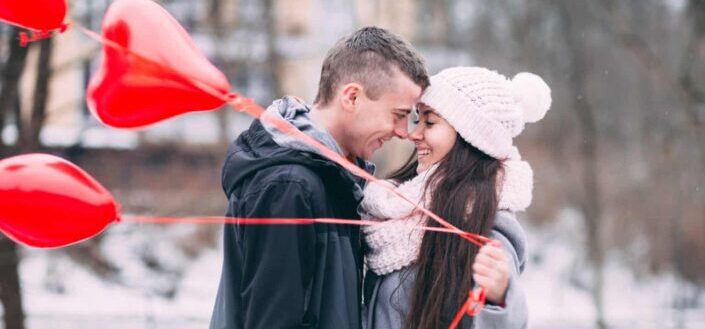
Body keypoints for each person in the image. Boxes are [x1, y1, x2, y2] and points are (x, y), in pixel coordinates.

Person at [210, 27, 429, 329]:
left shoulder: (332, 179)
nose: (404, 131)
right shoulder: (289, 186)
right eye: (398, 114)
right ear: (352, 97)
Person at [361, 67, 552, 328]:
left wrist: (499, 296)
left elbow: (508, 318)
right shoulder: (391, 208)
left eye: (429, 122)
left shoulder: (486, 226)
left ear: (471, 137)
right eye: (419, 119)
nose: (414, 134)